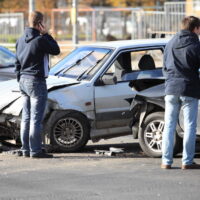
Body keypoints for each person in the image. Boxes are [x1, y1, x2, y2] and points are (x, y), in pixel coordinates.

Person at [15, 11, 60, 158]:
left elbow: (17, 64)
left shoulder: (20, 40)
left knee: (26, 118)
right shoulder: (40, 40)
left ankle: (25, 149)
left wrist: (20, 79)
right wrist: (46, 34)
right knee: (36, 118)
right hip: (36, 81)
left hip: (23, 80)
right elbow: (56, 50)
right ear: (40, 23)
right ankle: (35, 150)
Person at [162, 16, 200, 169]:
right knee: (189, 126)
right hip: (189, 89)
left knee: (169, 125)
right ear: (195, 28)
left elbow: (164, 67)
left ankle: (166, 161)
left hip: (171, 89)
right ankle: (187, 161)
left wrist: (170, 80)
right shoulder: (196, 44)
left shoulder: (170, 43)